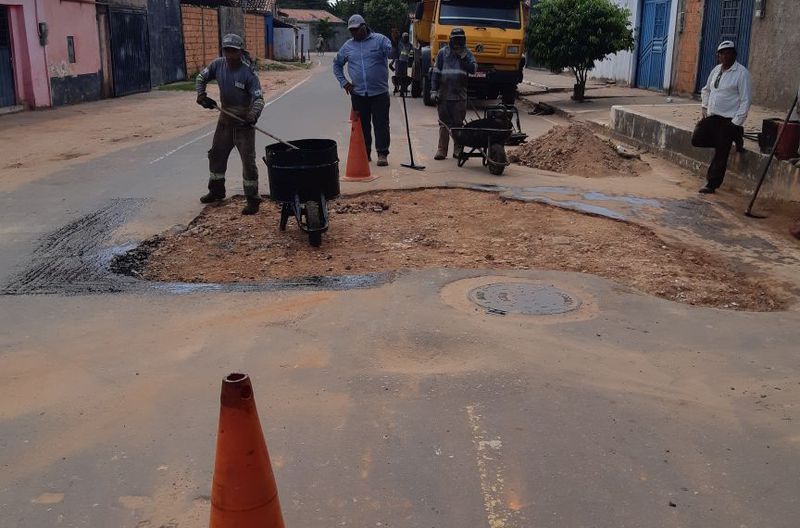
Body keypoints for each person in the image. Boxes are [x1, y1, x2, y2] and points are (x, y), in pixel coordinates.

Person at [195, 34, 265, 215]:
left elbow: (258, 99)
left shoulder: (249, 73)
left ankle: (252, 199)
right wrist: (201, 96)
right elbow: (200, 79)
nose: (229, 55)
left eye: (233, 51)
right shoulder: (217, 65)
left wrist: (252, 115)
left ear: (240, 52)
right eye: (226, 50)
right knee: (216, 155)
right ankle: (216, 191)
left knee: (248, 163)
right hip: (225, 120)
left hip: (244, 123)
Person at [692, 40, 752, 194]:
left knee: (721, 150)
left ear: (734, 54)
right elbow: (706, 90)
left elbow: (746, 100)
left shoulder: (741, 73)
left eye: (728, 53)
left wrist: (736, 122)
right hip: (713, 116)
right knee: (697, 138)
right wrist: (704, 106)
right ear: (718, 56)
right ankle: (735, 136)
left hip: (729, 119)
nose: (725, 56)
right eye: (722, 53)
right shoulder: (716, 70)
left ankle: (712, 183)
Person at [333, 14, 394, 167]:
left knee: (381, 124)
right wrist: (344, 82)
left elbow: (392, 52)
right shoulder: (348, 46)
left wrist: (396, 41)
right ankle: (364, 154)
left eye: (356, 29)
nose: (354, 33)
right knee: (362, 127)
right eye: (351, 31)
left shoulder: (379, 40)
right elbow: (337, 64)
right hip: (359, 94)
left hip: (379, 92)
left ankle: (382, 153)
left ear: (364, 26)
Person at [430, 27, 477, 160]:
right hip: (444, 95)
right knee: (444, 124)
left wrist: (463, 59)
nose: (457, 43)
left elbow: (473, 69)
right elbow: (436, 73)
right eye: (455, 40)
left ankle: (458, 149)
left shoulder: (467, 54)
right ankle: (441, 150)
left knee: (458, 124)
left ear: (463, 40)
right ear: (450, 40)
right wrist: (433, 90)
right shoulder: (442, 53)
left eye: (459, 40)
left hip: (459, 96)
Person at [391, 32, 412, 97]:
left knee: (404, 77)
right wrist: (393, 61)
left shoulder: (410, 45)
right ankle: (396, 87)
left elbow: (411, 54)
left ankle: (402, 90)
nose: (406, 38)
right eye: (404, 37)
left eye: (407, 37)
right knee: (398, 76)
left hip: (405, 62)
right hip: (398, 62)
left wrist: (411, 61)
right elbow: (395, 52)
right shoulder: (399, 43)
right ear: (402, 38)